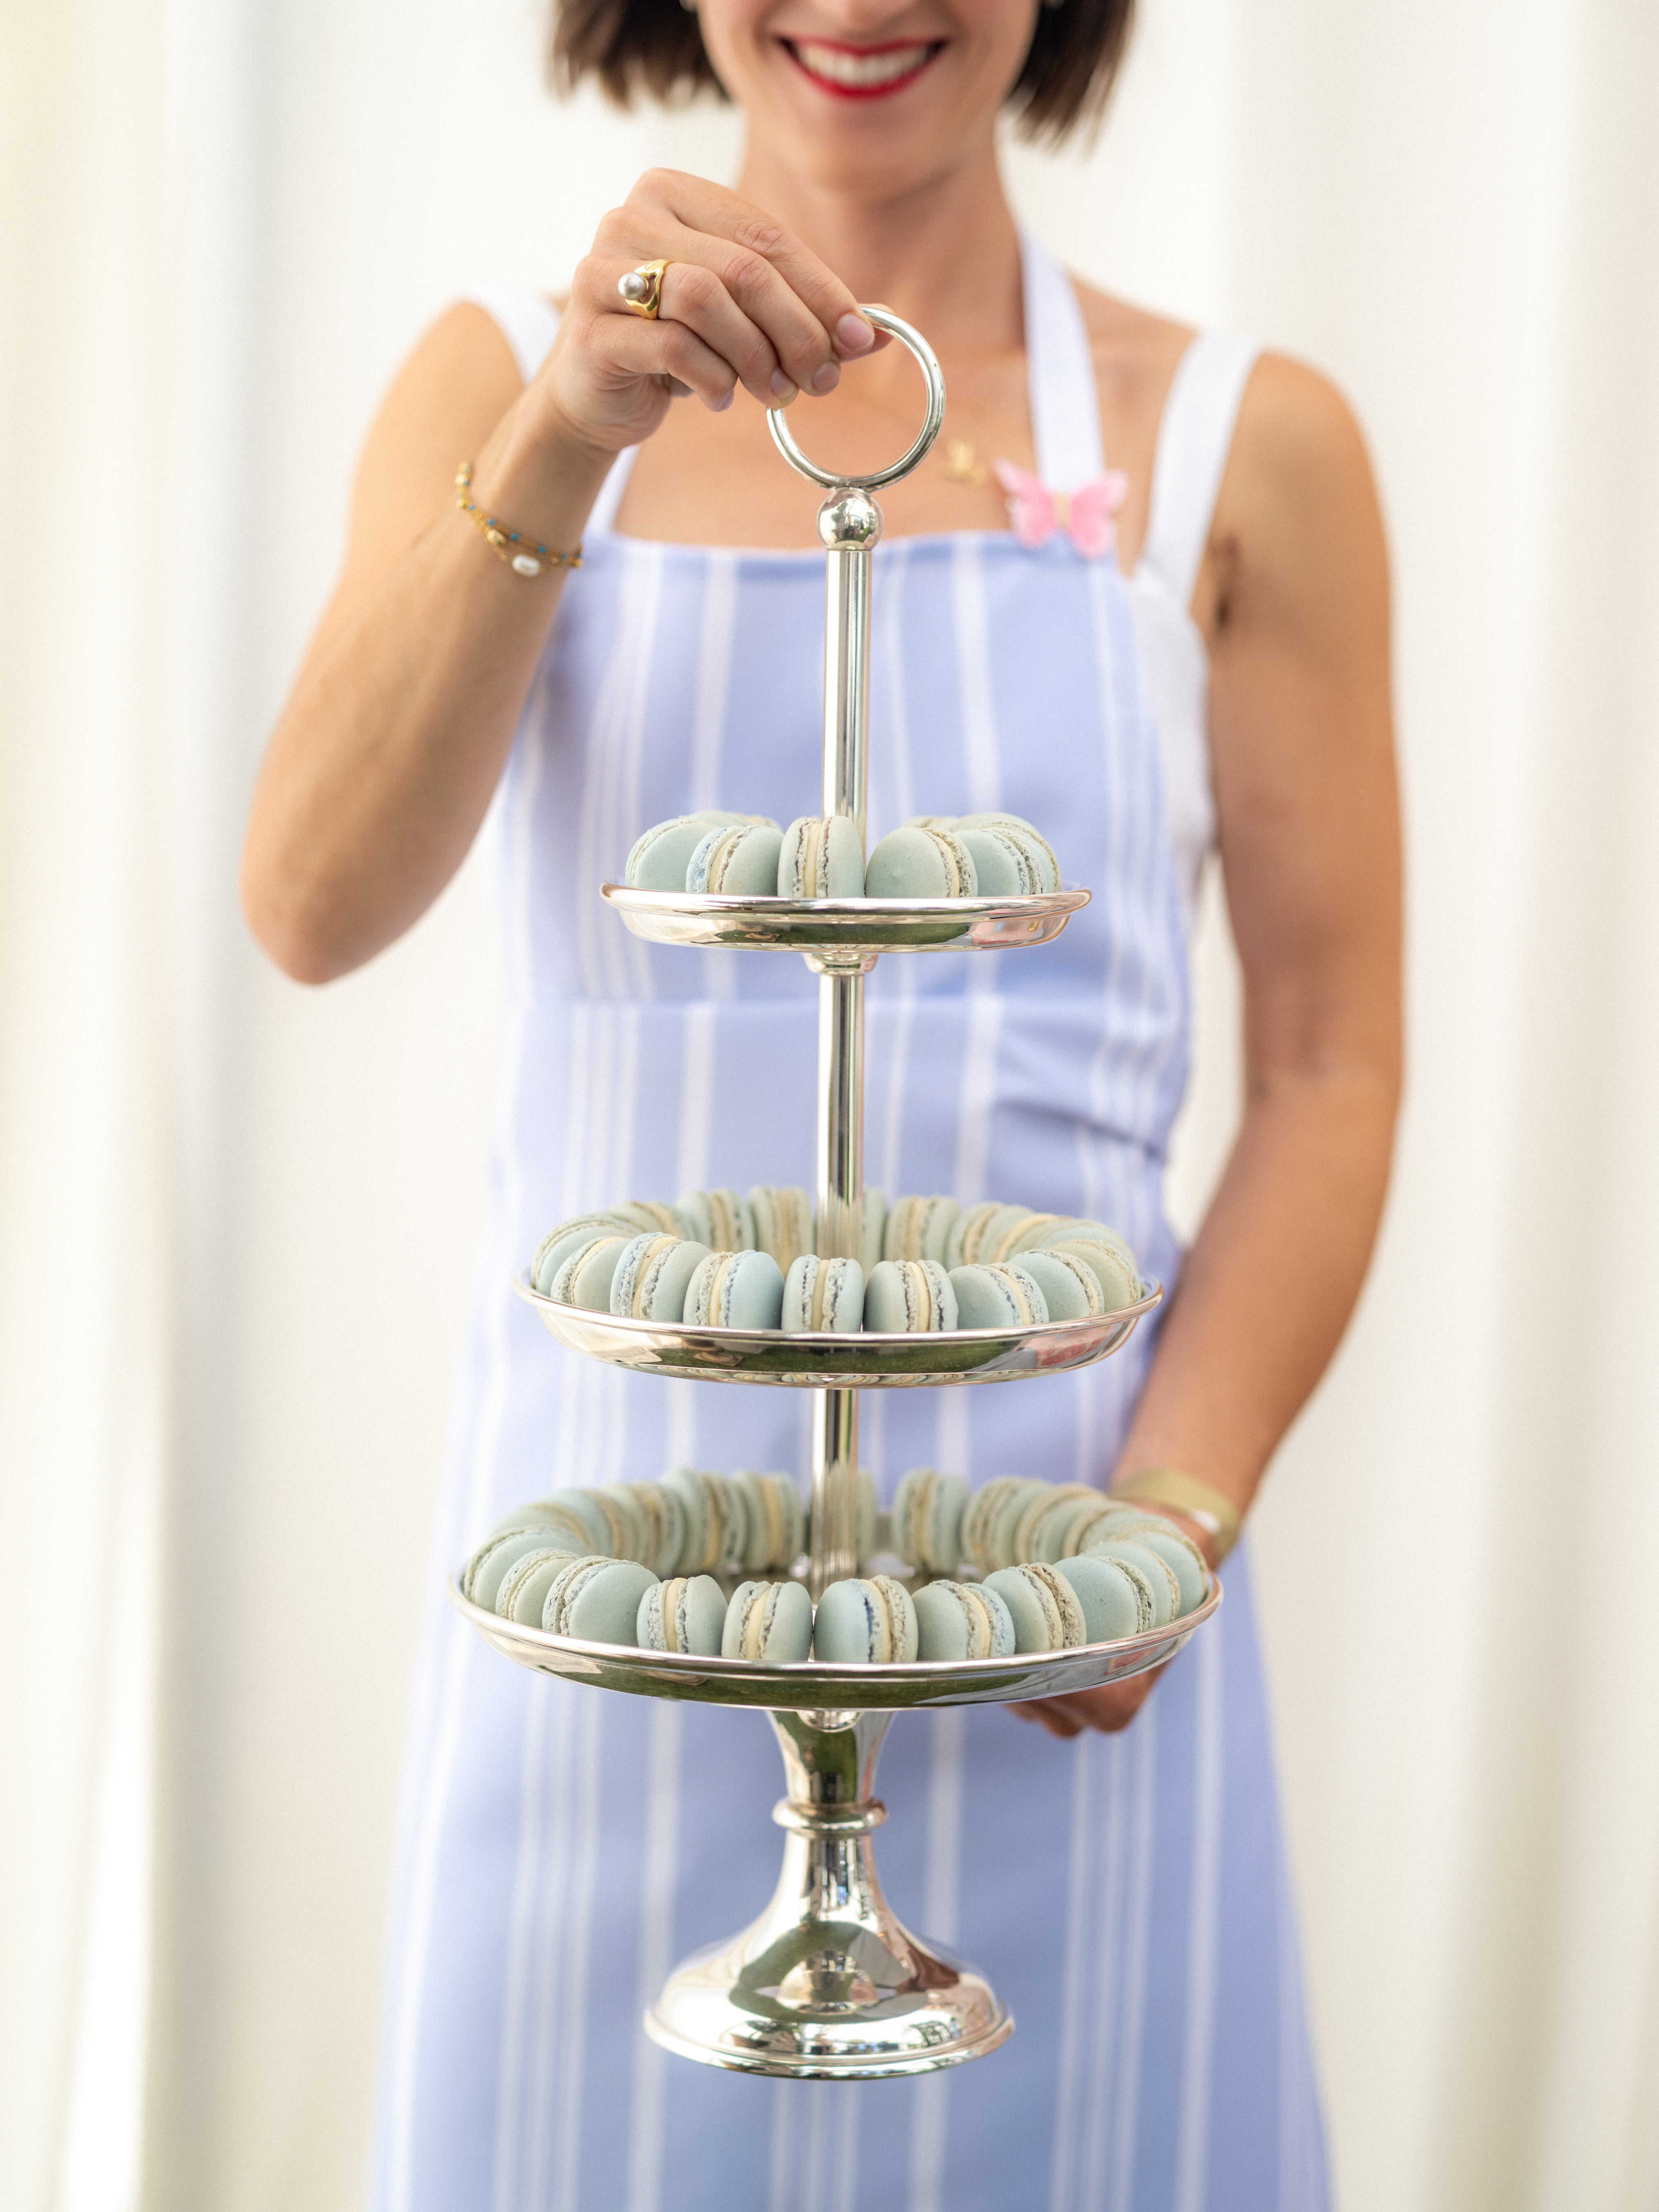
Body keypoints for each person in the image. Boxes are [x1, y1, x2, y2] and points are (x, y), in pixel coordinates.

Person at [243, 0, 1400, 2196]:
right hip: (610, 1626)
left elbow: (1334, 1058)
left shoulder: (1251, 441)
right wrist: (572, 420)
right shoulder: (496, 379)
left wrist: (1171, 1519)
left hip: (1057, 1627)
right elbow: (308, 900)